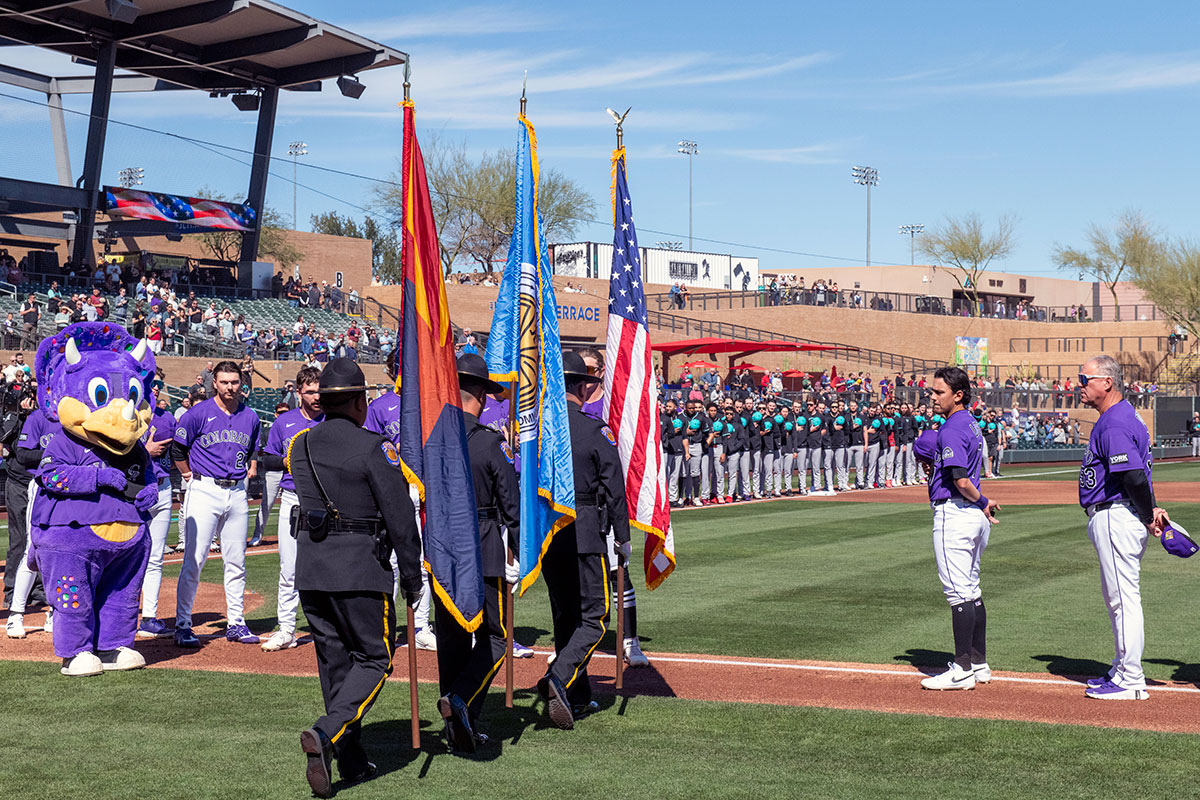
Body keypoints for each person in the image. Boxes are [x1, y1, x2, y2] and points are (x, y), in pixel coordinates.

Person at [289, 358, 424, 796]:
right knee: (374, 659)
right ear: (358, 401)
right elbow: (399, 516)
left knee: (335, 666)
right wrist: (411, 574)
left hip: (312, 570)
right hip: (361, 569)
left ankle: (348, 759)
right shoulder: (374, 447)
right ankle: (327, 733)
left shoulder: (300, 445)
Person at [539, 352, 631, 730]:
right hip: (585, 529)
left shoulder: (543, 432)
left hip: (549, 533)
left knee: (566, 618)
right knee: (594, 617)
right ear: (583, 386)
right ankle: (557, 678)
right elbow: (614, 487)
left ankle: (575, 696)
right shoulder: (595, 431)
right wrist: (623, 538)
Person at [434, 354, 520, 753]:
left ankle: (457, 726)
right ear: (483, 397)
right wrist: (519, 550)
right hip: (483, 546)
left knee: (451, 637)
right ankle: (462, 701)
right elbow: (511, 504)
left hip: (443, 548)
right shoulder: (490, 442)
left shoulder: (433, 440)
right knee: (496, 637)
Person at [1077, 356, 1168, 700]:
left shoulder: (1114, 422)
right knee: (1118, 599)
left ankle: (1131, 678)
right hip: (1119, 512)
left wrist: (1147, 514)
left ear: (1107, 383)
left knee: (1123, 601)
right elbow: (1138, 475)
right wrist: (1151, 509)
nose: (1080, 384)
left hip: (1117, 516)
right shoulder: (1123, 416)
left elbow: (1131, 475)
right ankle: (1121, 665)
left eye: (1085, 378)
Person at [919, 366, 999, 691]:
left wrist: (982, 501)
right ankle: (979, 663)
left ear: (958, 394)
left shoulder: (952, 427)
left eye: (939, 392)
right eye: (932, 391)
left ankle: (962, 669)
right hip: (973, 518)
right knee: (972, 589)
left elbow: (961, 480)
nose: (933, 397)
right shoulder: (971, 423)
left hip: (956, 513)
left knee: (958, 593)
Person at [171, 360, 262, 648]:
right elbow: (177, 448)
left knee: (236, 560)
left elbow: (250, 452)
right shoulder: (198, 413)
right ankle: (183, 624)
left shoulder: (251, 416)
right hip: (204, 488)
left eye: (234, 382)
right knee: (194, 560)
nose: (230, 387)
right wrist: (187, 474)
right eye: (224, 382)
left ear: (241, 383)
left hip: (236, 491)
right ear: (215, 383)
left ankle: (236, 622)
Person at [364, 352, 436, 650]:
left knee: (422, 561)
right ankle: (386, 624)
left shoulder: (431, 401)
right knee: (390, 560)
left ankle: (420, 625)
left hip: (424, 489)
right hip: (391, 488)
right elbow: (367, 448)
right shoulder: (380, 406)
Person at [257, 367, 324, 652]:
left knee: (329, 567)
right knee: (289, 568)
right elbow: (268, 459)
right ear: (298, 393)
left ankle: (329, 628)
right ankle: (286, 628)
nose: (316, 396)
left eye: (320, 390)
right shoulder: (284, 422)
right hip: (294, 498)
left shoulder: (332, 420)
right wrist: (291, 461)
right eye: (310, 391)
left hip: (327, 501)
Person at [4, 395, 57, 637]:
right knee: (26, 545)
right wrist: (53, 453)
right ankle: (15, 606)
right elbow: (22, 455)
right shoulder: (32, 417)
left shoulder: (75, 420)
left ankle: (50, 605)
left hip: (62, 487)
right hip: (31, 484)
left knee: (57, 549)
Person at [135, 377, 179, 639]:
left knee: (156, 556)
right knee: (126, 554)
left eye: (159, 383)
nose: (156, 387)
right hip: (134, 488)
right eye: (151, 382)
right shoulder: (125, 414)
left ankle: (149, 617)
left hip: (162, 487)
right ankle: (122, 614)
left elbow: (177, 450)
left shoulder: (167, 417)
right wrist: (144, 451)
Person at [251, 402, 292, 548]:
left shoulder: (293, 425)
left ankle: (291, 536)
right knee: (266, 505)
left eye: (286, 411)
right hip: (274, 471)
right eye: (280, 412)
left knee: (292, 504)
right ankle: (257, 535)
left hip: (291, 471)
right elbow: (262, 452)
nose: (283, 414)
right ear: (275, 414)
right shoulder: (267, 431)